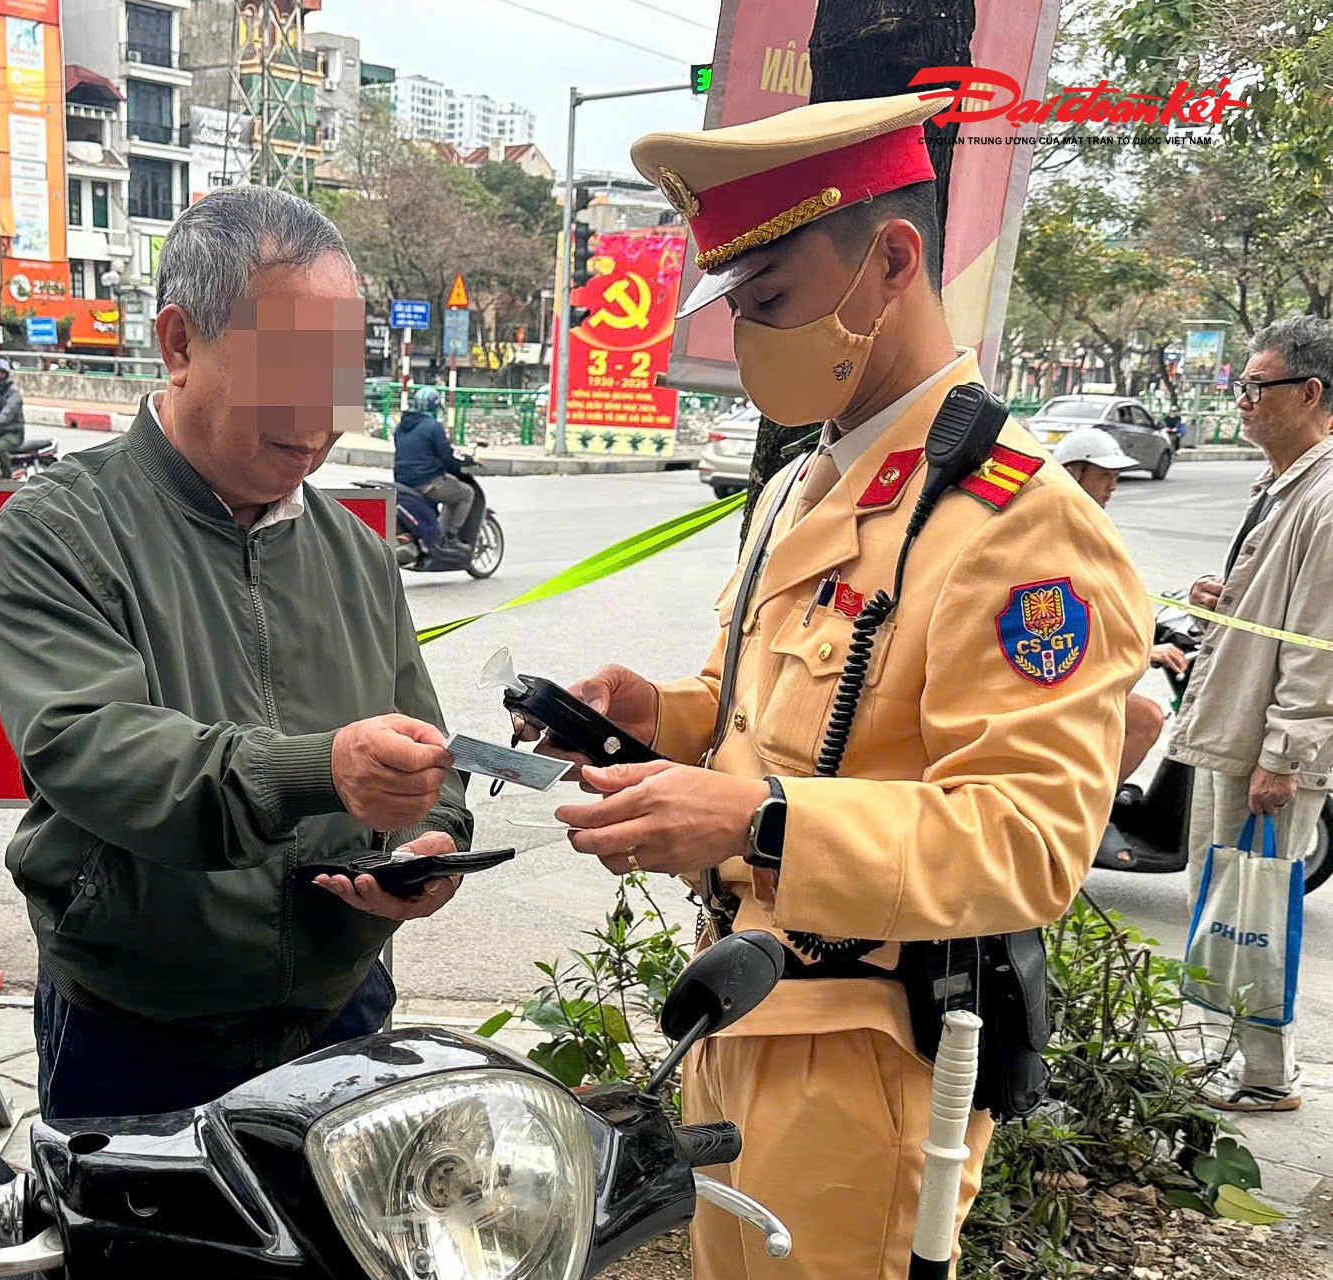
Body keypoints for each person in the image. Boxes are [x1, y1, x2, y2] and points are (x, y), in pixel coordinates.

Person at [523, 94, 1152, 1278]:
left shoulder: (1017, 529)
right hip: (737, 1008)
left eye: (767, 300)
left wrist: (755, 820)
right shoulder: (805, 482)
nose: (746, 337)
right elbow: (768, 703)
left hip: (871, 1054)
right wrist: (656, 716)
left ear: (891, 264)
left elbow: (1028, 841)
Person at [0, 186, 473, 1123]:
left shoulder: (354, 552)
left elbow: (429, 750)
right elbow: (91, 748)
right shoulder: (61, 528)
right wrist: (319, 770)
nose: (319, 418)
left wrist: (427, 842)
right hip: (138, 1030)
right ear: (179, 344)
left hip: (343, 1013)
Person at [1166, 315, 1333, 1112]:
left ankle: (1265, 1075)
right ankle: (1227, 1054)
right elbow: (1280, 613)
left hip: (1264, 747)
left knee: (1253, 907)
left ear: (1308, 394)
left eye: (1252, 387)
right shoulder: (1287, 486)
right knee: (1224, 900)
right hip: (1238, 730)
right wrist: (1223, 602)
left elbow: (1320, 643)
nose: (1239, 402)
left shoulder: (1327, 497)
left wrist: (1284, 755)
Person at [1053, 427, 1188, 865]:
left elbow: (1107, 597)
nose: (1113, 484)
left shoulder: (1084, 522)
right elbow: (1068, 613)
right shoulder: (1056, 524)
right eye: (1104, 474)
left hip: (1084, 667)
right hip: (1057, 676)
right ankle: (1081, 815)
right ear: (1076, 472)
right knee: (1145, 718)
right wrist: (1143, 652)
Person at [393, 385, 474, 550]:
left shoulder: (400, 427)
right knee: (466, 493)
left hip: (403, 483)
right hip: (427, 483)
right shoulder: (433, 426)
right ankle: (451, 538)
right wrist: (468, 460)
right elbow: (447, 457)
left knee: (451, 485)